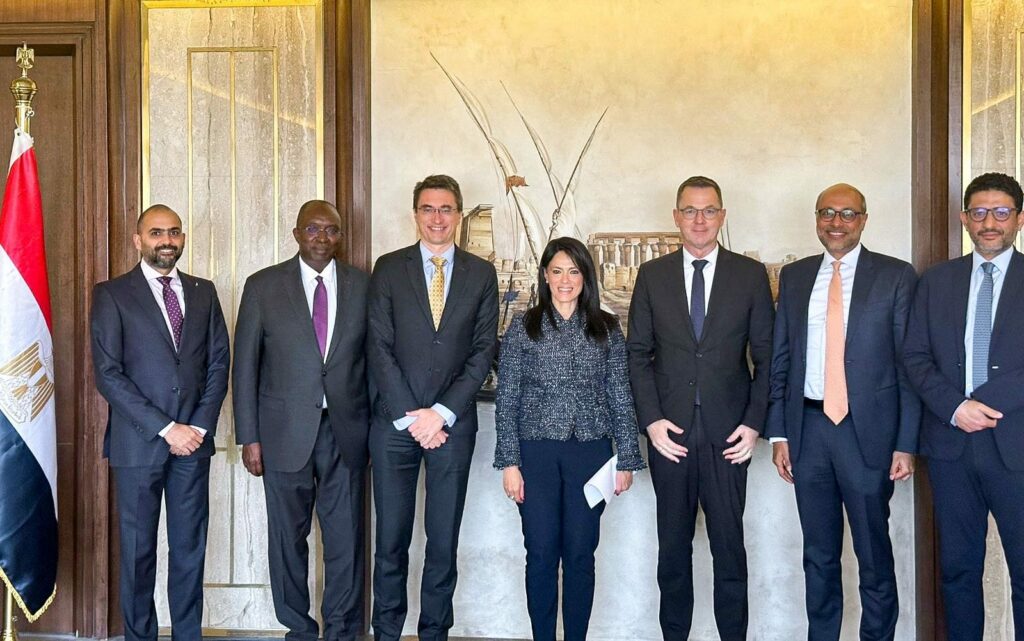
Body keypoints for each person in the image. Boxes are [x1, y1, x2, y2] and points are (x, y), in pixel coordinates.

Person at [766, 183, 919, 640]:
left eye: (848, 213)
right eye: (827, 213)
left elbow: (910, 365)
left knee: (874, 555)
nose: (836, 222)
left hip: (868, 434)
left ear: (864, 220)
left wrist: (906, 443)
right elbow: (781, 359)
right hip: (809, 431)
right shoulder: (795, 278)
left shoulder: (895, 276)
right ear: (816, 219)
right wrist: (780, 434)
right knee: (818, 555)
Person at [627, 175, 773, 641]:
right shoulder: (652, 276)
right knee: (672, 553)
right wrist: (651, 422)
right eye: (690, 210)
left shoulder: (749, 275)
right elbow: (637, 355)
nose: (699, 220)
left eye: (709, 210)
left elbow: (768, 359)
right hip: (669, 437)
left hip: (729, 437)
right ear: (676, 217)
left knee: (730, 552)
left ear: (722, 216)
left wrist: (754, 424)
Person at [493, 236, 645, 641]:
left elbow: (619, 394)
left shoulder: (606, 327)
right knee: (541, 552)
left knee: (580, 554)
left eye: (574, 271)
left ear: (585, 277)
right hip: (535, 454)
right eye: (557, 271)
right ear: (545, 275)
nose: (565, 280)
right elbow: (507, 398)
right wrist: (509, 463)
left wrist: (627, 459)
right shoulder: (524, 326)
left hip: (591, 454)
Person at [367, 174, 499, 641]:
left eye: (446, 209)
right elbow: (378, 346)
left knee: (442, 543)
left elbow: (482, 351)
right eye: (428, 208)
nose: (437, 218)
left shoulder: (481, 274)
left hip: (452, 427)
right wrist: (412, 415)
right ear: (415, 214)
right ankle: (386, 632)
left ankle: (434, 633)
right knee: (391, 541)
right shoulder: (388, 268)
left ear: (458, 215)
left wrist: (440, 413)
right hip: (394, 425)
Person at [90, 204, 230, 641]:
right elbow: (108, 375)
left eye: (173, 232)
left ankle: (187, 635)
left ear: (182, 238)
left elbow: (218, 363)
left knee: (189, 549)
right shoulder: (112, 294)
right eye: (156, 233)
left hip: (195, 444)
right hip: (138, 444)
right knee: (138, 552)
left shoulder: (204, 291)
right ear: (138, 240)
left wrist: (198, 428)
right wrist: (168, 428)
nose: (166, 240)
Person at [232, 200, 370, 641]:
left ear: (340, 236)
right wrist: (249, 437)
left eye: (331, 230)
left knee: (345, 540)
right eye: (312, 229)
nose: (322, 238)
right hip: (282, 435)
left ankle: (341, 631)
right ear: (296, 234)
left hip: (346, 433)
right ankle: (298, 628)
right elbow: (245, 367)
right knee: (287, 540)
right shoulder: (263, 286)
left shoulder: (363, 286)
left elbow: (375, 362)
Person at [904, 172, 1024, 641]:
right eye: (979, 212)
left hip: (1016, 448)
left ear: (1018, 219)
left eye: (1001, 212)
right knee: (957, 572)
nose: (989, 223)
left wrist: (983, 403)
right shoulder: (937, 281)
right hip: (951, 448)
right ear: (964, 218)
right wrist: (956, 408)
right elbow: (914, 356)